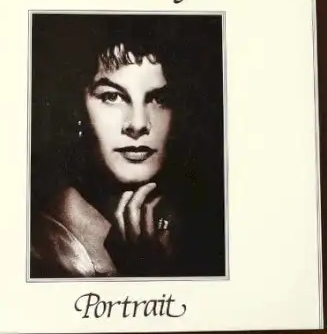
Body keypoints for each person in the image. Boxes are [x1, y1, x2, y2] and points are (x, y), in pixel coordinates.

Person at [30, 15, 225, 278]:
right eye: (112, 97)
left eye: (159, 98)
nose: (138, 124)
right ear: (77, 112)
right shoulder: (44, 249)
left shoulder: (200, 229)